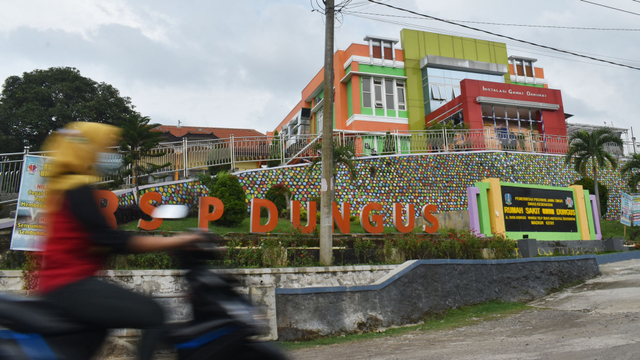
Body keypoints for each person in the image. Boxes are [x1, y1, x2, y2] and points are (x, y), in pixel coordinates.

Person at [37, 122, 202, 360]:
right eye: (103, 148)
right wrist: (177, 241)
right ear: (86, 149)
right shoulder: (76, 190)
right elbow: (113, 240)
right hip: (71, 286)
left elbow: (99, 227)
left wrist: (139, 212)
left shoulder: (62, 188)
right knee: (153, 314)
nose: (109, 155)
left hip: (59, 286)